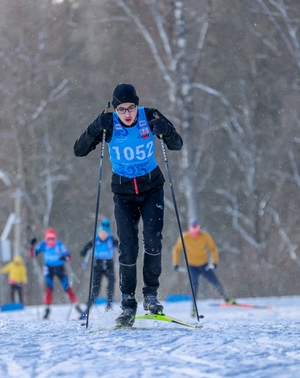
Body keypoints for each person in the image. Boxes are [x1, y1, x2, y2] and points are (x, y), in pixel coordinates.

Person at [74, 83, 183, 326]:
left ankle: (151, 296)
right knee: (128, 247)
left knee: (153, 240)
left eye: (131, 108)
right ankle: (128, 303)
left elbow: (177, 144)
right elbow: (79, 150)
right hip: (124, 193)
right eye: (121, 109)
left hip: (151, 187)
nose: (127, 114)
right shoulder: (109, 122)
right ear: (115, 109)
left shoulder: (150, 116)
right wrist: (96, 127)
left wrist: (166, 130)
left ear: (137, 105)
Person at [172, 219, 235, 312]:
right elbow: (177, 250)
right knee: (194, 286)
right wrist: (176, 263)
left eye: (197, 227)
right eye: (193, 227)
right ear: (189, 228)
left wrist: (215, 262)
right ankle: (194, 306)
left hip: (203, 265)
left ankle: (226, 298)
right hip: (191, 266)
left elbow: (213, 248)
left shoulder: (205, 236)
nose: (195, 229)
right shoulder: (185, 237)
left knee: (215, 281)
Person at [30, 228, 83, 319]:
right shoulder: (43, 244)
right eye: (49, 239)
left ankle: (77, 306)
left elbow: (69, 257)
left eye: (53, 239)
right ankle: (47, 309)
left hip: (59, 268)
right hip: (48, 268)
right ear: (46, 238)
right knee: (49, 288)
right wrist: (32, 245)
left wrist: (64, 258)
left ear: (55, 238)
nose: (51, 241)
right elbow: (33, 254)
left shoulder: (59, 244)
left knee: (66, 286)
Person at [79, 219, 119, 312]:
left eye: (105, 233)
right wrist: (84, 251)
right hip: (98, 265)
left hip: (109, 264)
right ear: (98, 233)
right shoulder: (95, 240)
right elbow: (85, 250)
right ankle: (88, 307)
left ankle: (109, 304)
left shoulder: (112, 240)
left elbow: (120, 248)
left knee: (111, 282)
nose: (103, 235)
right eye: (101, 233)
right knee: (95, 287)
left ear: (108, 233)